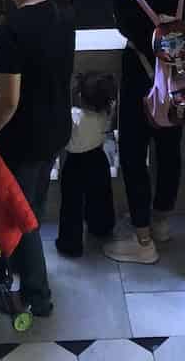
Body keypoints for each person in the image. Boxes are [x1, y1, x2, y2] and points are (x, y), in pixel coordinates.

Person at [0, 0, 74, 316]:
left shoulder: (11, 31)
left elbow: (7, 100)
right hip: (56, 127)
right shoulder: (63, 15)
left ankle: (37, 295)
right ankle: (24, 264)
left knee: (22, 215)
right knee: (33, 203)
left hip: (23, 136)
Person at [103, 0, 185, 265]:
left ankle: (142, 238)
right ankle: (161, 222)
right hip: (176, 81)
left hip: (139, 81)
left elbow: (124, 29)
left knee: (134, 157)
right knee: (170, 151)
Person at [56, 71, 118, 258]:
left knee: (71, 206)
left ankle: (70, 243)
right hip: (98, 158)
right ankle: (102, 227)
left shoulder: (74, 116)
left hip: (75, 163)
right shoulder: (106, 112)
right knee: (101, 196)